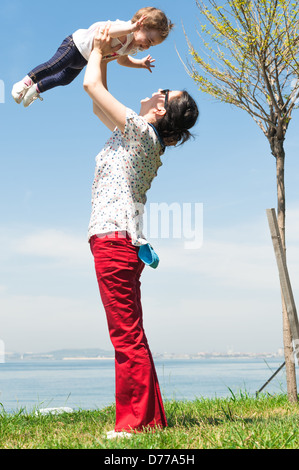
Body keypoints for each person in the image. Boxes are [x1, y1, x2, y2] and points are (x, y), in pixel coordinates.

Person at [83, 25, 199, 438]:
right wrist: (108, 57)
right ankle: (148, 418)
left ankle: (136, 425)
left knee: (125, 334)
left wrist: (98, 48)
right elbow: (99, 103)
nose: (154, 91)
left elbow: (90, 85)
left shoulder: (139, 131)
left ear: (161, 110)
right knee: (129, 331)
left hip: (113, 241)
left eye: (162, 93)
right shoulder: (142, 137)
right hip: (120, 242)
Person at [11, 7, 173, 108]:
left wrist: (140, 64)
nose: (146, 46)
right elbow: (106, 32)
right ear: (141, 25)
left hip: (83, 59)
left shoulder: (132, 47)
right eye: (149, 41)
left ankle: (36, 89)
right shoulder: (124, 29)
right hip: (74, 46)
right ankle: (26, 81)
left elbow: (122, 60)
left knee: (65, 79)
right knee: (55, 66)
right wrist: (130, 27)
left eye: (151, 46)